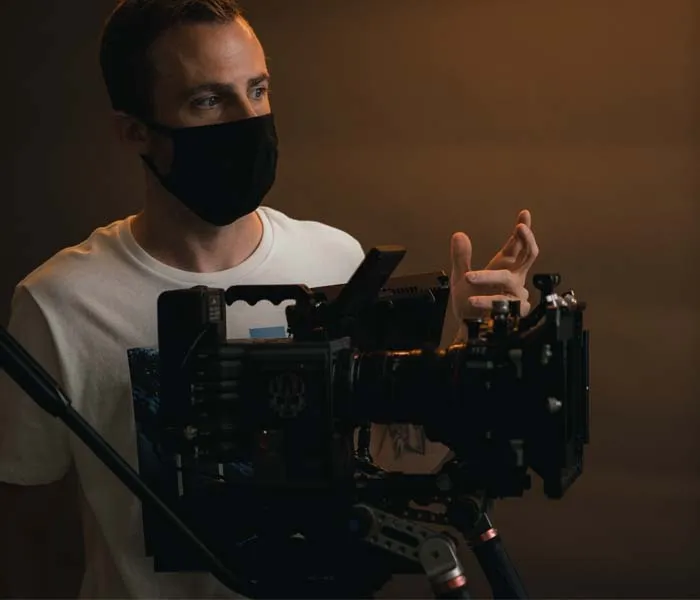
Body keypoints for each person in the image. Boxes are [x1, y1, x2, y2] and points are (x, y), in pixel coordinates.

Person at [0, 1, 539, 598]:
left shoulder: (338, 263)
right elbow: (28, 528)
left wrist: (468, 349)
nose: (247, 118)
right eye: (207, 100)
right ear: (134, 130)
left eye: (257, 90)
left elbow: (395, 461)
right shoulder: (58, 303)